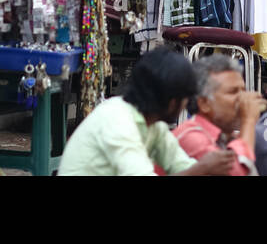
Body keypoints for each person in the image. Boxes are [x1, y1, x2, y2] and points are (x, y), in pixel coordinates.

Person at [59, 47, 237, 176]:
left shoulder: (154, 126)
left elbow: (181, 165)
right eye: (184, 98)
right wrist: (202, 169)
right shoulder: (117, 120)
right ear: (172, 101)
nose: (186, 105)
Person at [173, 55, 265, 174]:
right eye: (233, 92)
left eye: (243, 91)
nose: (243, 99)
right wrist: (248, 121)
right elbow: (238, 172)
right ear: (205, 104)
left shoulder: (227, 137)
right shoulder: (191, 136)